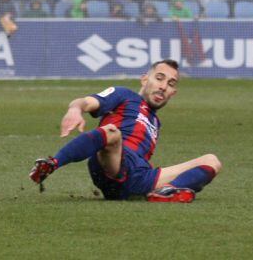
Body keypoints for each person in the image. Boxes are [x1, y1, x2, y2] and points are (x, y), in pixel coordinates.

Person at [29, 60, 222, 203]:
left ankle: (167, 191)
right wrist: (75, 109)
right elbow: (86, 102)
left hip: (140, 177)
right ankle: (52, 164)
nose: (163, 86)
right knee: (112, 132)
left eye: (171, 84)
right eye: (159, 78)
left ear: (173, 93)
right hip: (112, 163)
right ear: (145, 79)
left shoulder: (155, 121)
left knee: (212, 161)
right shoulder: (124, 95)